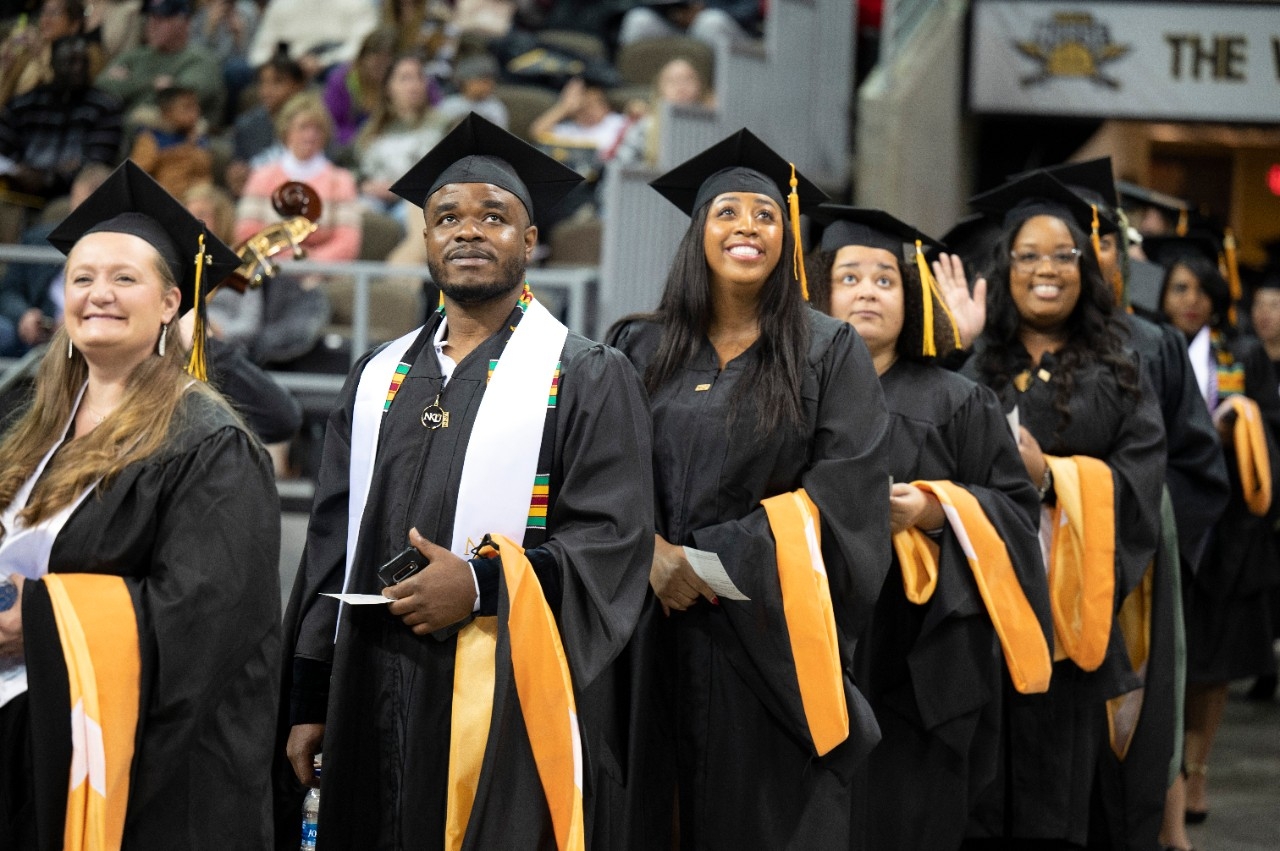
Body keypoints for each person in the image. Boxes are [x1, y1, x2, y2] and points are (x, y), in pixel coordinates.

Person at [279, 113, 654, 848]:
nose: (468, 231)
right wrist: (311, 692)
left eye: (494, 215)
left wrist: (482, 585)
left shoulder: (584, 376)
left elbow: (614, 543)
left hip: (507, 688)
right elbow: (331, 543)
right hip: (371, 682)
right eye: (446, 216)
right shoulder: (379, 377)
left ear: (529, 240)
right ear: (424, 240)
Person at [606, 130, 891, 849]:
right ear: (698, 231)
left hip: (768, 646)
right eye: (726, 211)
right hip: (647, 638)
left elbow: (844, 499)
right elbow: (601, 478)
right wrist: (646, 554)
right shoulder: (639, 347)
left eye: (766, 215)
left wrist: (691, 562)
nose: (747, 227)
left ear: (787, 240)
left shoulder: (829, 350)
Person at [0, 160, 281, 847]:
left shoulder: (209, 443)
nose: (99, 293)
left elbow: (203, 620)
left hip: (131, 765)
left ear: (169, 303)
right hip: (24, 735)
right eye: (82, 277)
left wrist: (36, 622)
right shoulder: (26, 418)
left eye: (126, 278)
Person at [805, 205, 1052, 851]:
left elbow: (1019, 513)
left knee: (909, 815)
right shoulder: (791, 391)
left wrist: (937, 508)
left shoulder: (957, 400)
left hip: (921, 651)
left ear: (910, 297)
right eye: (850, 276)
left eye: (885, 279)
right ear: (819, 287)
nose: (867, 291)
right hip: (815, 633)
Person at [960, 171, 1166, 848]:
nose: (1045, 270)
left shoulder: (1123, 367)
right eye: (1028, 255)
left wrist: (1053, 476)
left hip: (1072, 629)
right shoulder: (975, 367)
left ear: (1086, 266)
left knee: (1061, 810)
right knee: (978, 806)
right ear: (1005, 267)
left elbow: (1139, 486)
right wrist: (957, 347)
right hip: (982, 627)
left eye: (1062, 254)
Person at [1149, 233, 1280, 835]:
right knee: (1170, 654)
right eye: (1179, 288)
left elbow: (1273, 429)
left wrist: (1244, 429)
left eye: (1201, 290)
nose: (1191, 300)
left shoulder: (1242, 354)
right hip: (1168, 515)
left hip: (1228, 528)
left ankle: (1197, 767)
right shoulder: (1150, 347)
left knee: (1216, 657)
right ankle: (1169, 770)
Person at [234, 92, 360, 366]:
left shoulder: (341, 180)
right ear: (286, 131)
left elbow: (347, 242)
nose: (310, 135)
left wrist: (307, 265)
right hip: (267, 271)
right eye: (303, 127)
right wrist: (283, 261)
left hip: (322, 276)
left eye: (317, 128)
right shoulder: (263, 176)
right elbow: (246, 232)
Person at [0, 32, 122, 240]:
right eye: (70, 61)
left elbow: (96, 165)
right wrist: (20, 174)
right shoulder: (24, 104)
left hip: (68, 193)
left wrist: (47, 178)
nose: (78, 69)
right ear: (53, 64)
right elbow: (4, 150)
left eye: (83, 62)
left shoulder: (103, 106)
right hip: (18, 188)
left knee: (63, 211)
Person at [94, 0, 225, 130]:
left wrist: (127, 84)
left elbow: (179, 100)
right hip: (123, 134)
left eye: (160, 19)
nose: (151, 25)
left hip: (177, 142)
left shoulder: (200, 60)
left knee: (142, 117)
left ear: (183, 23)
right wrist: (152, 83)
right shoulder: (136, 55)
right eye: (149, 18)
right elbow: (100, 86)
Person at [355, 53, 448, 227]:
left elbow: (447, 175)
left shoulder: (442, 124)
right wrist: (364, 184)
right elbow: (354, 169)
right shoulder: (372, 129)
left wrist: (399, 189)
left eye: (419, 77)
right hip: (375, 199)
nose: (414, 85)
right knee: (353, 216)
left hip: (419, 201)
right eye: (405, 78)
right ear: (388, 87)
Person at [226, 44, 307, 195]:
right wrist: (237, 177)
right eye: (263, 82)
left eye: (277, 82)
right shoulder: (246, 125)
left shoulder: (313, 122)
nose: (267, 90)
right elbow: (238, 173)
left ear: (298, 86)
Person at [612, 56, 711, 168]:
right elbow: (620, 166)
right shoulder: (645, 126)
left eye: (688, 79)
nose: (681, 87)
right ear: (660, 89)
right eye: (672, 81)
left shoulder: (712, 129)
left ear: (700, 85)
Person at [128, 85, 214, 198]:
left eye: (196, 106)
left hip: (195, 200)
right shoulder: (151, 138)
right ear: (166, 113)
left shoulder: (199, 139)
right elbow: (137, 175)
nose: (196, 112)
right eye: (187, 107)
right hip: (161, 199)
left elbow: (204, 175)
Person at [321, 26, 397, 151]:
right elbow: (331, 125)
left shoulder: (401, 79)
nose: (381, 68)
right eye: (377, 61)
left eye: (386, 61)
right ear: (362, 58)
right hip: (352, 148)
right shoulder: (342, 81)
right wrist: (360, 140)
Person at [435, 52, 508, 131]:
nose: (489, 86)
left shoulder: (496, 107)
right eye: (483, 81)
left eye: (491, 82)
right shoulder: (447, 106)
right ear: (466, 81)